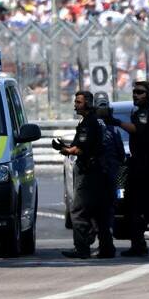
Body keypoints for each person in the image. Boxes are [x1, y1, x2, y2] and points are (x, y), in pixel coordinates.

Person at [106, 81, 149, 258]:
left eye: (140, 92)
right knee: (132, 206)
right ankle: (138, 245)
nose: (136, 95)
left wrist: (117, 122)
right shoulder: (145, 112)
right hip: (140, 164)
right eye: (134, 92)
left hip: (147, 165)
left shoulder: (146, 112)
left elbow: (138, 130)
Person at [55, 91, 116, 260]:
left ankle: (82, 248)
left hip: (90, 174)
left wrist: (63, 150)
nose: (75, 105)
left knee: (78, 211)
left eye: (79, 102)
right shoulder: (99, 122)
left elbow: (81, 148)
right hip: (102, 173)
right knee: (100, 212)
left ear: (88, 104)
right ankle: (107, 248)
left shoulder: (89, 123)